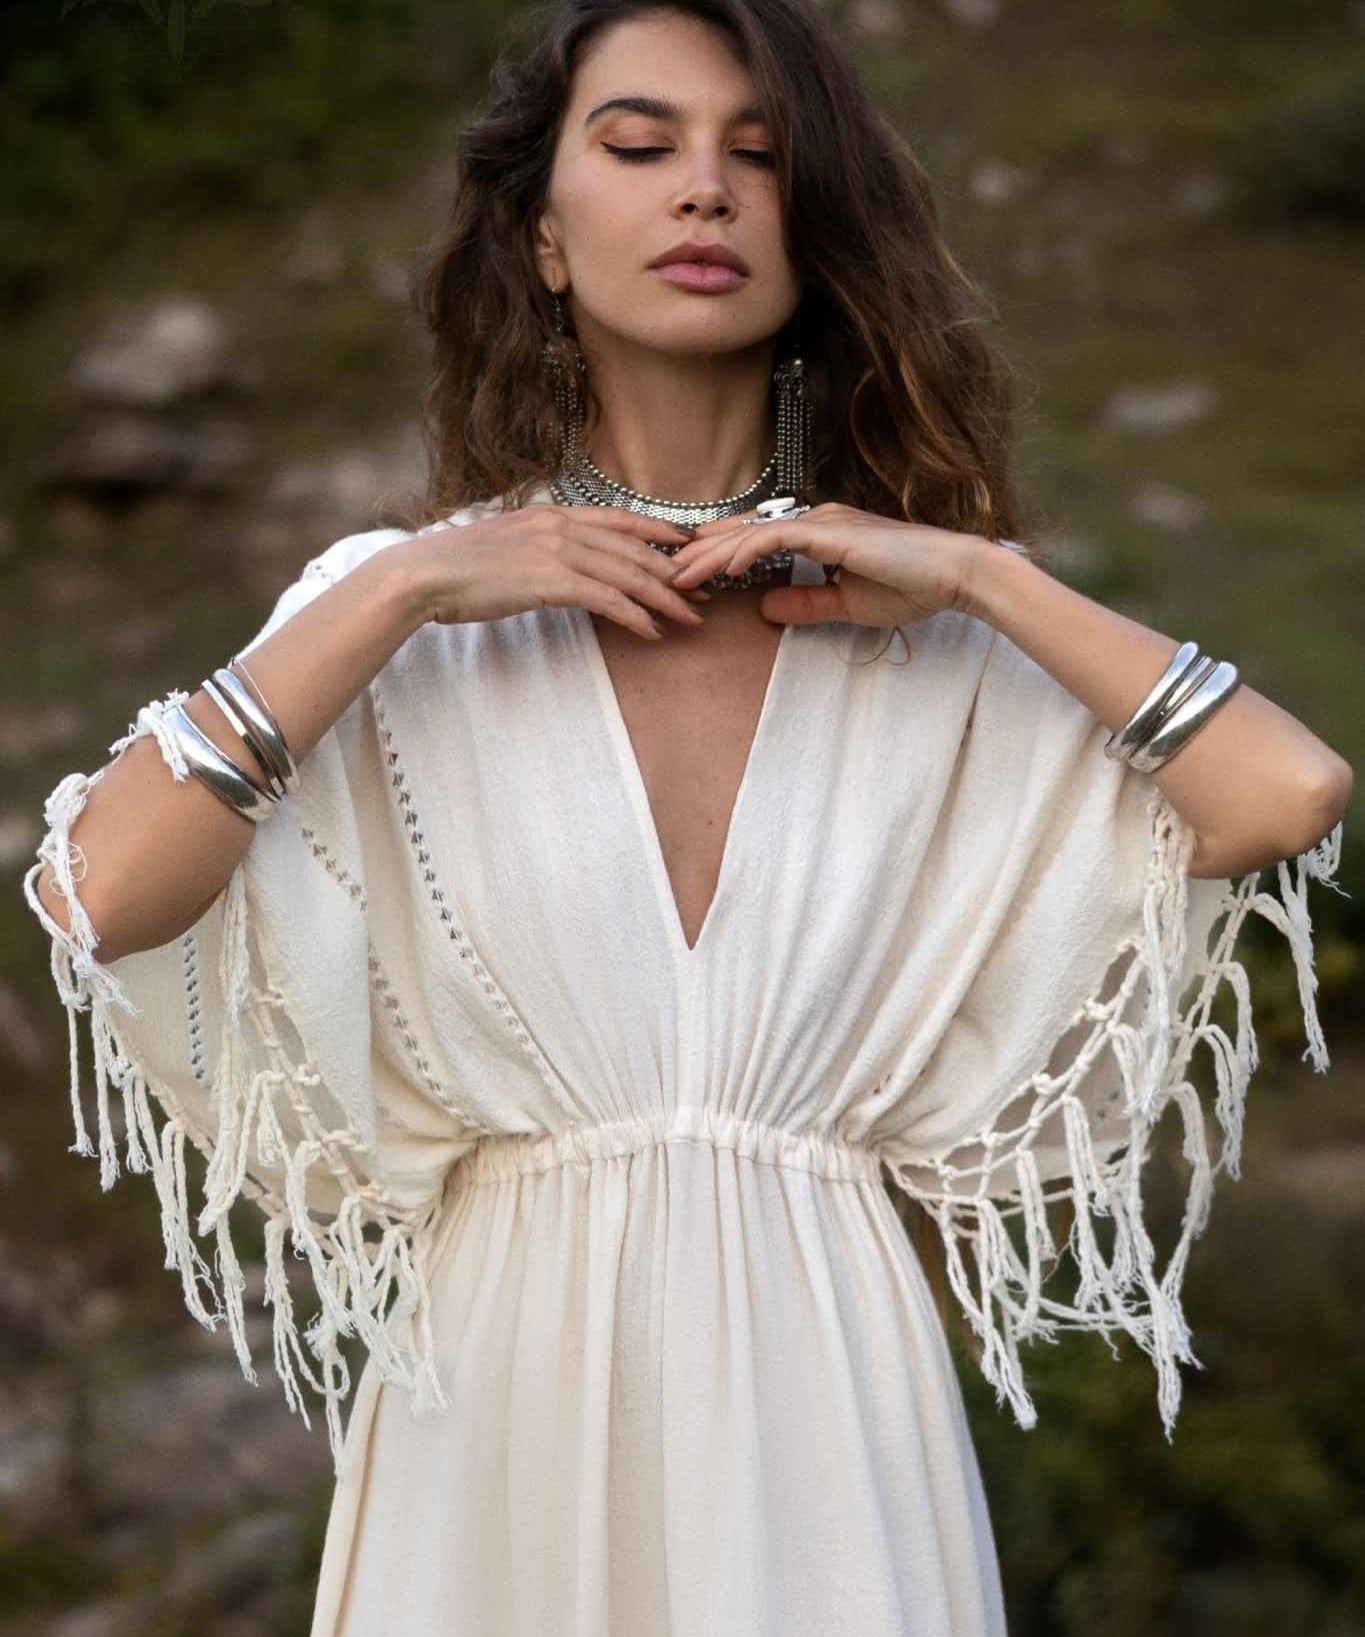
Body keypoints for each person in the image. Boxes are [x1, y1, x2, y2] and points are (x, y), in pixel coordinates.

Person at [23, 1, 1353, 1633]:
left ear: (819, 233)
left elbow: (1286, 794)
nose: (704, 191)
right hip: (496, 1386)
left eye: (761, 158)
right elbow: (99, 893)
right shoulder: (397, 615)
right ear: (547, 243)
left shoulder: (928, 643)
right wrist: (409, 580)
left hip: (827, 1390)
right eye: (641, 146)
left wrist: (982, 572)